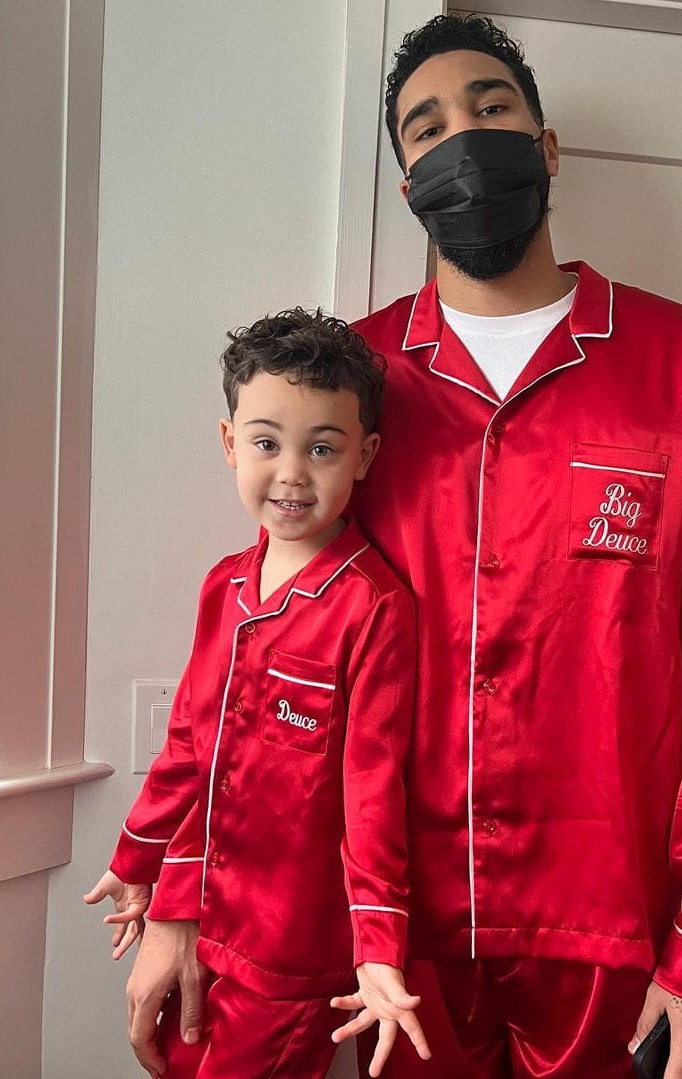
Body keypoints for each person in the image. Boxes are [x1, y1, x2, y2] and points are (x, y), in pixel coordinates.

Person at [334, 15, 682, 1079]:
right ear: (408, 188)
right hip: (403, 934)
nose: (464, 140)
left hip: (614, 929)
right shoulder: (355, 375)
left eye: (492, 110)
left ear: (546, 145)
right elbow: (285, 632)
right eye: (426, 128)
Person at [84, 309, 431, 1079]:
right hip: (196, 913)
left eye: (323, 448)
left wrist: (377, 948)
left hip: (288, 952)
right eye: (268, 443)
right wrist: (138, 857)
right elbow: (188, 744)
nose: (293, 474)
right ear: (229, 442)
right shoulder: (223, 586)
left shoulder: (373, 607)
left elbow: (372, 794)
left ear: (364, 455)